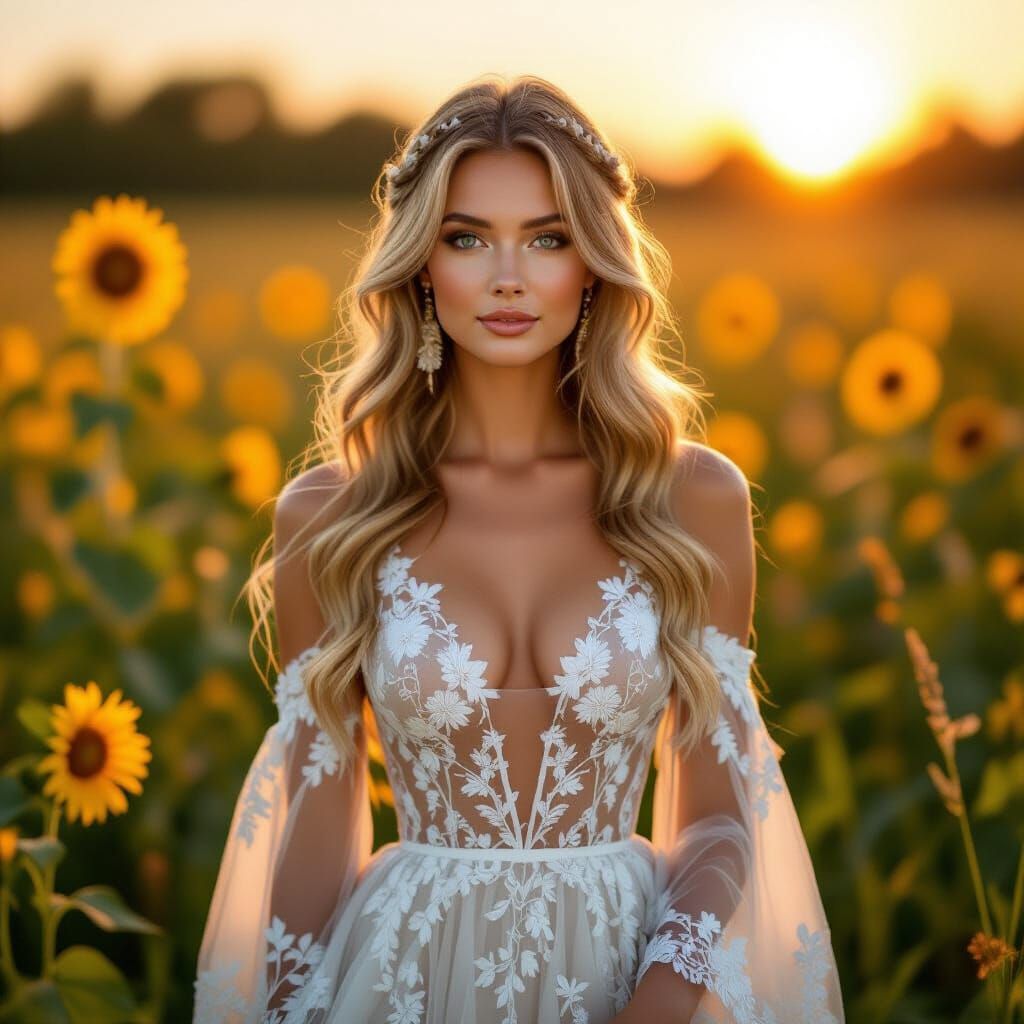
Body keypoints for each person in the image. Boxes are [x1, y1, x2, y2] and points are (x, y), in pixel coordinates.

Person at [192, 73, 845, 1024]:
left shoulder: (691, 498)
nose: (508, 277)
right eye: (467, 239)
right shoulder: (332, 516)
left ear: (592, 267)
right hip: (403, 980)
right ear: (420, 265)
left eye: (547, 239)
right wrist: (294, 1006)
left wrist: (661, 1002)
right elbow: (319, 821)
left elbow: (717, 808)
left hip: (635, 971)